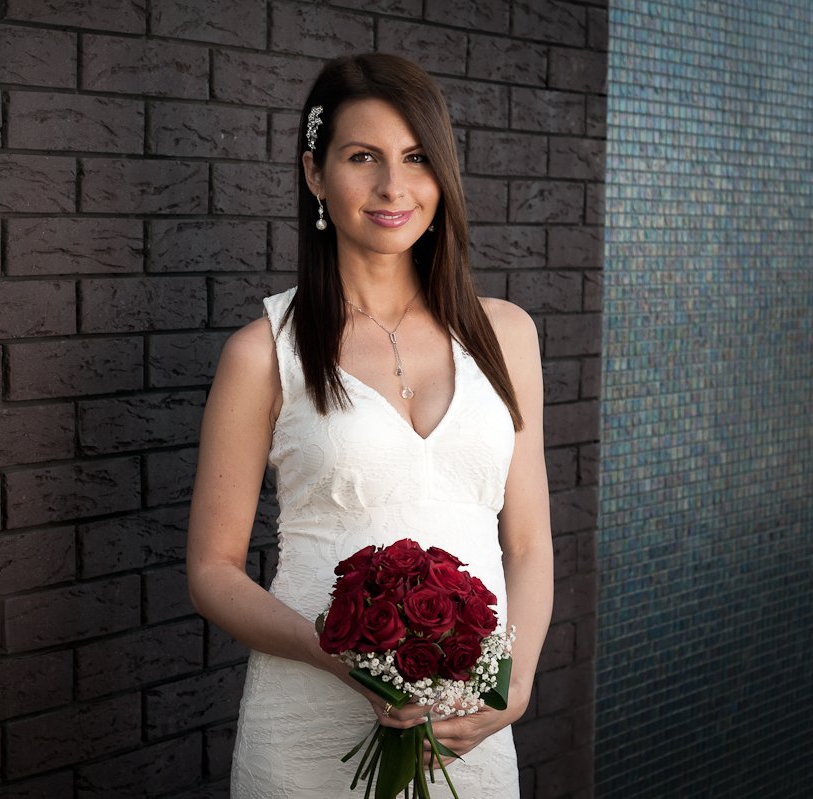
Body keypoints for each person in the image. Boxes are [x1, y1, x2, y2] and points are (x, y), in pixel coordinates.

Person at [186, 53, 553, 797]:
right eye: (363, 157)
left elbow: (527, 540)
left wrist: (515, 682)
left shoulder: (506, 334)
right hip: (308, 725)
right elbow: (212, 570)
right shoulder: (264, 352)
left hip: (467, 725)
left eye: (417, 158)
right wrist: (335, 653)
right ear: (316, 175)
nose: (394, 187)